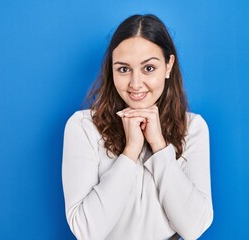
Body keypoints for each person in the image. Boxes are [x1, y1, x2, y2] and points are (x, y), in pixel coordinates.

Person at [62, 14, 213, 240]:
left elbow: (194, 227)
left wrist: (159, 147)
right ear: (111, 70)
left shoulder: (193, 128)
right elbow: (86, 231)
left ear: (168, 66)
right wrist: (131, 151)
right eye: (123, 69)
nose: (135, 83)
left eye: (148, 68)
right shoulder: (83, 126)